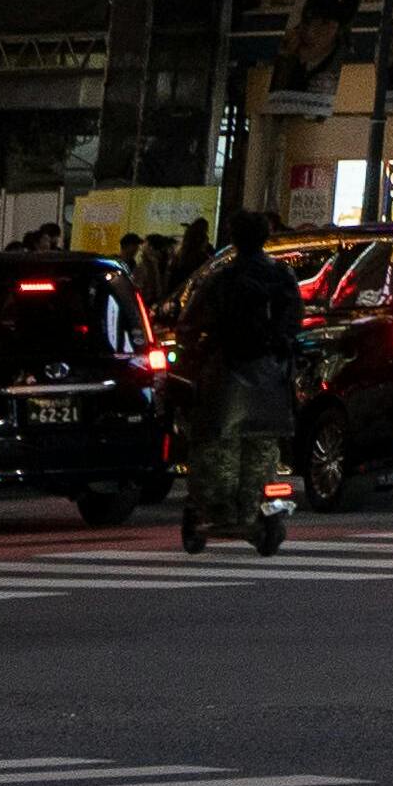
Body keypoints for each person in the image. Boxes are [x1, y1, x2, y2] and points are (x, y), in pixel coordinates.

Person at [169, 225, 303, 555]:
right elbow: (295, 321)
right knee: (262, 452)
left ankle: (222, 514)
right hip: (271, 377)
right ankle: (256, 514)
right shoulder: (282, 277)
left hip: (226, 376)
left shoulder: (221, 279)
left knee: (218, 451)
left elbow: (188, 324)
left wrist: (195, 345)